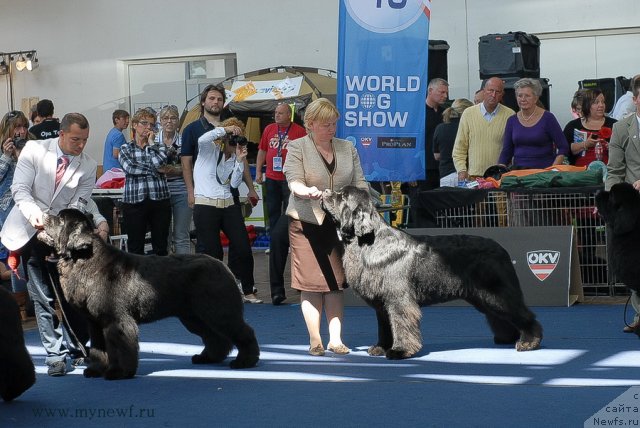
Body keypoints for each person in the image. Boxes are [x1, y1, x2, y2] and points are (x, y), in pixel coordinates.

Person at [0, 113, 97, 377]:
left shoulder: (88, 165)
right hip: (29, 229)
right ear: (61, 134)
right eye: (76, 139)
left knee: (72, 295)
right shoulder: (33, 149)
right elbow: (20, 189)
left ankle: (79, 349)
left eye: (85, 140)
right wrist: (39, 218)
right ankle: (55, 355)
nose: (81, 145)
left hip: (64, 236)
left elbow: (80, 203)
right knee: (42, 296)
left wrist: (60, 228)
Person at [283, 97, 368, 356]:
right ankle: (315, 340)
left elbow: (360, 181)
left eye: (334, 124)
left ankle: (336, 339)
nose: (331, 129)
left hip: (339, 224)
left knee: (335, 283)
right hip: (305, 221)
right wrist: (305, 190)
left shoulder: (347, 148)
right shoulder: (297, 147)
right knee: (310, 284)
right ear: (310, 124)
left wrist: (361, 201)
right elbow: (293, 180)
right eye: (326, 125)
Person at [192, 117, 262, 304]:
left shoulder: (233, 157)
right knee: (213, 253)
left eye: (237, 136)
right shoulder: (209, 150)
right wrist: (225, 130)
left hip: (228, 204)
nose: (234, 140)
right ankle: (215, 292)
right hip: (206, 206)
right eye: (232, 136)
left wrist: (239, 160)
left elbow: (234, 183)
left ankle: (248, 290)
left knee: (243, 247)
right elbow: (202, 139)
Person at [255, 103, 306, 305]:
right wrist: (259, 171)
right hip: (272, 177)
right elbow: (261, 150)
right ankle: (278, 241)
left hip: (290, 181)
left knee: (290, 217)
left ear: (289, 115)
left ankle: (287, 242)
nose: (276, 115)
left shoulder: (299, 131)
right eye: (275, 113)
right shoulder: (269, 129)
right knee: (275, 216)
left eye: (280, 113)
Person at [181, 84, 258, 211]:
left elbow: (242, 158)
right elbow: (186, 163)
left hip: (230, 192)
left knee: (238, 230)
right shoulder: (191, 129)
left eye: (219, 99)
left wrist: (251, 188)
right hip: (206, 195)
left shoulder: (233, 126)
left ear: (223, 104)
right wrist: (191, 192)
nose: (216, 102)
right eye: (211, 98)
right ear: (203, 102)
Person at [605, 75, 640, 333]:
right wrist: (612, 203)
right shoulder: (621, 128)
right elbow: (614, 170)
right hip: (632, 209)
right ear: (635, 99)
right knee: (633, 264)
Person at [118, 108, 171, 256]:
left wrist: (150, 144)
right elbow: (131, 168)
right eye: (144, 123)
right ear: (134, 125)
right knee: (135, 247)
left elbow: (160, 163)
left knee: (161, 246)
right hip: (134, 201)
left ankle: (160, 278)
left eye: (152, 125)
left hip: (160, 200)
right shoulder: (125, 148)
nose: (148, 127)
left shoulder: (159, 146)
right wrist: (155, 170)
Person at [452, 77, 515, 180]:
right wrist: (461, 170)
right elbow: (459, 148)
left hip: (500, 178)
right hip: (474, 178)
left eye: (498, 92)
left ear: (502, 94)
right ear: (483, 91)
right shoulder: (468, 113)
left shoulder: (510, 115)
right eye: (490, 90)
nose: (493, 95)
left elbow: (512, 149)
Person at [498, 78, 569, 169]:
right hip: (519, 173)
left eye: (527, 96)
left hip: (544, 173)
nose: (523, 99)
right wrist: (499, 169)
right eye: (520, 96)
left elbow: (563, 147)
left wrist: (553, 169)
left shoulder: (548, 118)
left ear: (535, 98)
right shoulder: (512, 120)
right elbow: (506, 151)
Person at [0, 111, 31, 302]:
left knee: (27, 257)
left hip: (27, 211)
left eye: (24, 127)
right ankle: (15, 299)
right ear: (8, 130)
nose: (21, 132)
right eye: (17, 127)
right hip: (4, 214)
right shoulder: (2, 150)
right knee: (9, 258)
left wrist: (22, 155)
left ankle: (29, 299)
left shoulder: (32, 147)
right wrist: (5, 156)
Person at [155, 105, 191, 254]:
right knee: (163, 236)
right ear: (160, 121)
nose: (169, 121)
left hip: (181, 191)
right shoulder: (153, 140)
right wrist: (178, 169)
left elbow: (190, 167)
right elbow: (151, 167)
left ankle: (185, 273)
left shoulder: (185, 140)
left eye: (173, 118)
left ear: (178, 121)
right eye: (165, 118)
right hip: (159, 193)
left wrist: (172, 170)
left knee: (181, 235)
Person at [563, 88, 617, 167]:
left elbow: (625, 150)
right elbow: (564, 149)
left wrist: (612, 147)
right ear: (587, 105)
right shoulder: (573, 126)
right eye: (596, 102)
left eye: (603, 102)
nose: (601, 105)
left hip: (609, 172)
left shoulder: (614, 124)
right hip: (579, 172)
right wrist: (585, 144)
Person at [433, 98, 473, 187]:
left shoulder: (440, 128)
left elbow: (436, 156)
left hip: (446, 175)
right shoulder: (468, 127)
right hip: (466, 174)